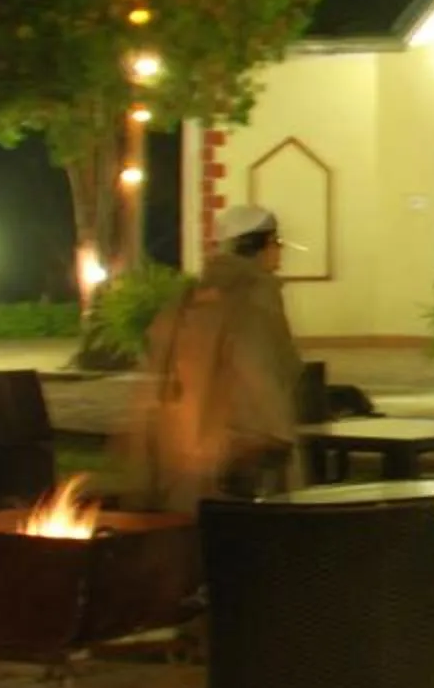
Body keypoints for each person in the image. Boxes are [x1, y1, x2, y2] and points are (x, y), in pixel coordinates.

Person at [130, 201, 306, 512]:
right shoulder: (255, 291)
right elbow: (262, 366)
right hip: (242, 444)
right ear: (261, 246)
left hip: (186, 441)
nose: (279, 254)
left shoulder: (192, 294)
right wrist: (277, 431)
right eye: (276, 244)